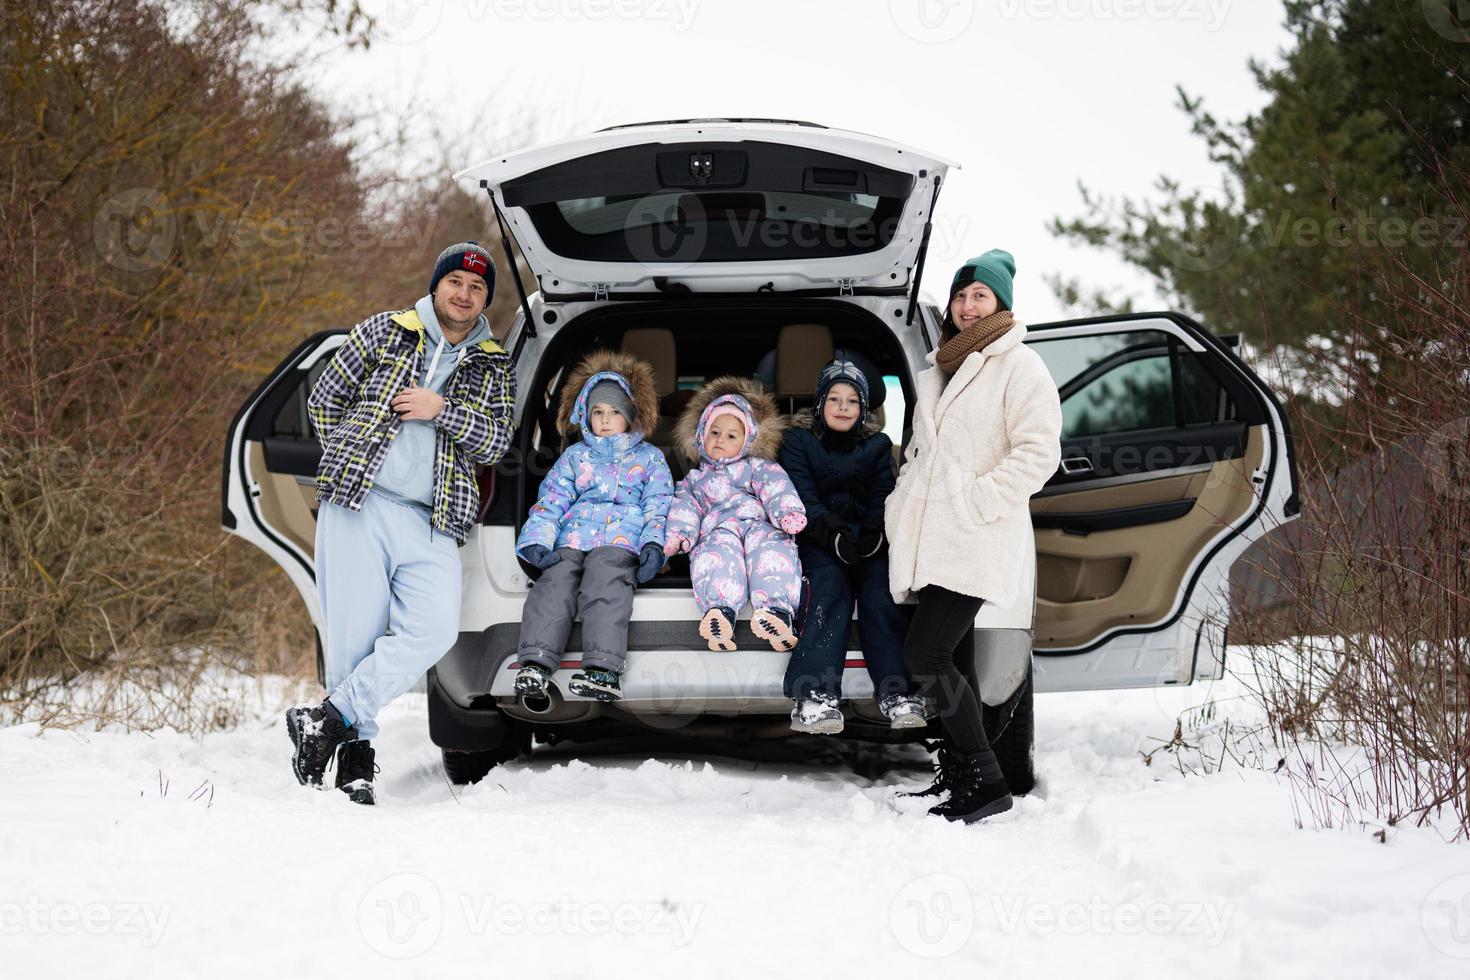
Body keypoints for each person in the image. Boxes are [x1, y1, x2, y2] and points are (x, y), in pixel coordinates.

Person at [286, 241, 516, 805]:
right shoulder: (383, 331)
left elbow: (497, 441)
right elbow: (323, 401)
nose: (464, 295)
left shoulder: (492, 361)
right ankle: (355, 764)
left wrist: (443, 412)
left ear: (486, 299)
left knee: (433, 631)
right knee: (354, 638)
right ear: (436, 284)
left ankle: (327, 717)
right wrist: (356, 448)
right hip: (359, 503)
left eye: (477, 288)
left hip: (432, 518)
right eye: (455, 282)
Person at [886, 249, 1062, 823]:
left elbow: (1039, 453)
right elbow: (920, 456)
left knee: (926, 654)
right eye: (960, 296)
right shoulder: (938, 371)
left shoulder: (1021, 368)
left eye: (979, 296)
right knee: (953, 658)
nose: (966, 306)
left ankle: (985, 780)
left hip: (976, 534)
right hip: (935, 538)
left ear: (1001, 304)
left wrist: (978, 501)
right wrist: (902, 501)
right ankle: (961, 777)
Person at [512, 350, 674, 703]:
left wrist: (653, 546)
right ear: (585, 415)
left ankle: (602, 669)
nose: (605, 419)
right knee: (554, 583)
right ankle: (536, 662)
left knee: (604, 583)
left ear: (630, 416)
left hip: (621, 541)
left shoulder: (650, 458)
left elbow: (657, 507)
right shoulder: (574, 457)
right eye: (597, 411)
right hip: (572, 536)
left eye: (615, 412)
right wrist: (537, 540)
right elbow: (551, 501)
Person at [779, 358, 926, 734]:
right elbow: (801, 495)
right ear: (819, 404)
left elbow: (883, 492)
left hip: (866, 539)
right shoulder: (798, 442)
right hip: (818, 538)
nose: (843, 408)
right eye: (834, 399)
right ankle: (814, 695)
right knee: (829, 589)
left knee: (881, 590)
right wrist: (830, 533)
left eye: (852, 401)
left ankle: (898, 692)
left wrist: (876, 531)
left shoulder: (876, 446)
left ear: (864, 409)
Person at [664, 378, 807, 652]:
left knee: (772, 552)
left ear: (747, 441)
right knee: (717, 556)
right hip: (719, 529)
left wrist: (787, 512)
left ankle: (776, 612)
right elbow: (685, 507)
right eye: (714, 432)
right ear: (700, 436)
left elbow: (777, 488)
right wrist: (679, 535)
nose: (720, 440)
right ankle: (720, 612)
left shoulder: (758, 467)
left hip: (758, 525)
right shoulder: (694, 479)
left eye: (731, 436)